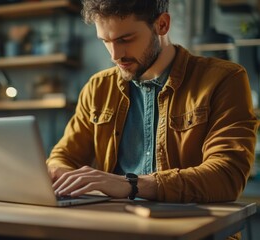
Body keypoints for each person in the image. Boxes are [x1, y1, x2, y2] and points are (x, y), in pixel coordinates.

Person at [48, 0, 258, 205]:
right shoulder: (97, 88)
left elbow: (228, 176)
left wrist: (131, 185)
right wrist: (63, 175)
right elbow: (63, 157)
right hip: (116, 225)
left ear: (162, 25)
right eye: (105, 41)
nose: (115, 55)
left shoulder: (224, 79)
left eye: (126, 39)